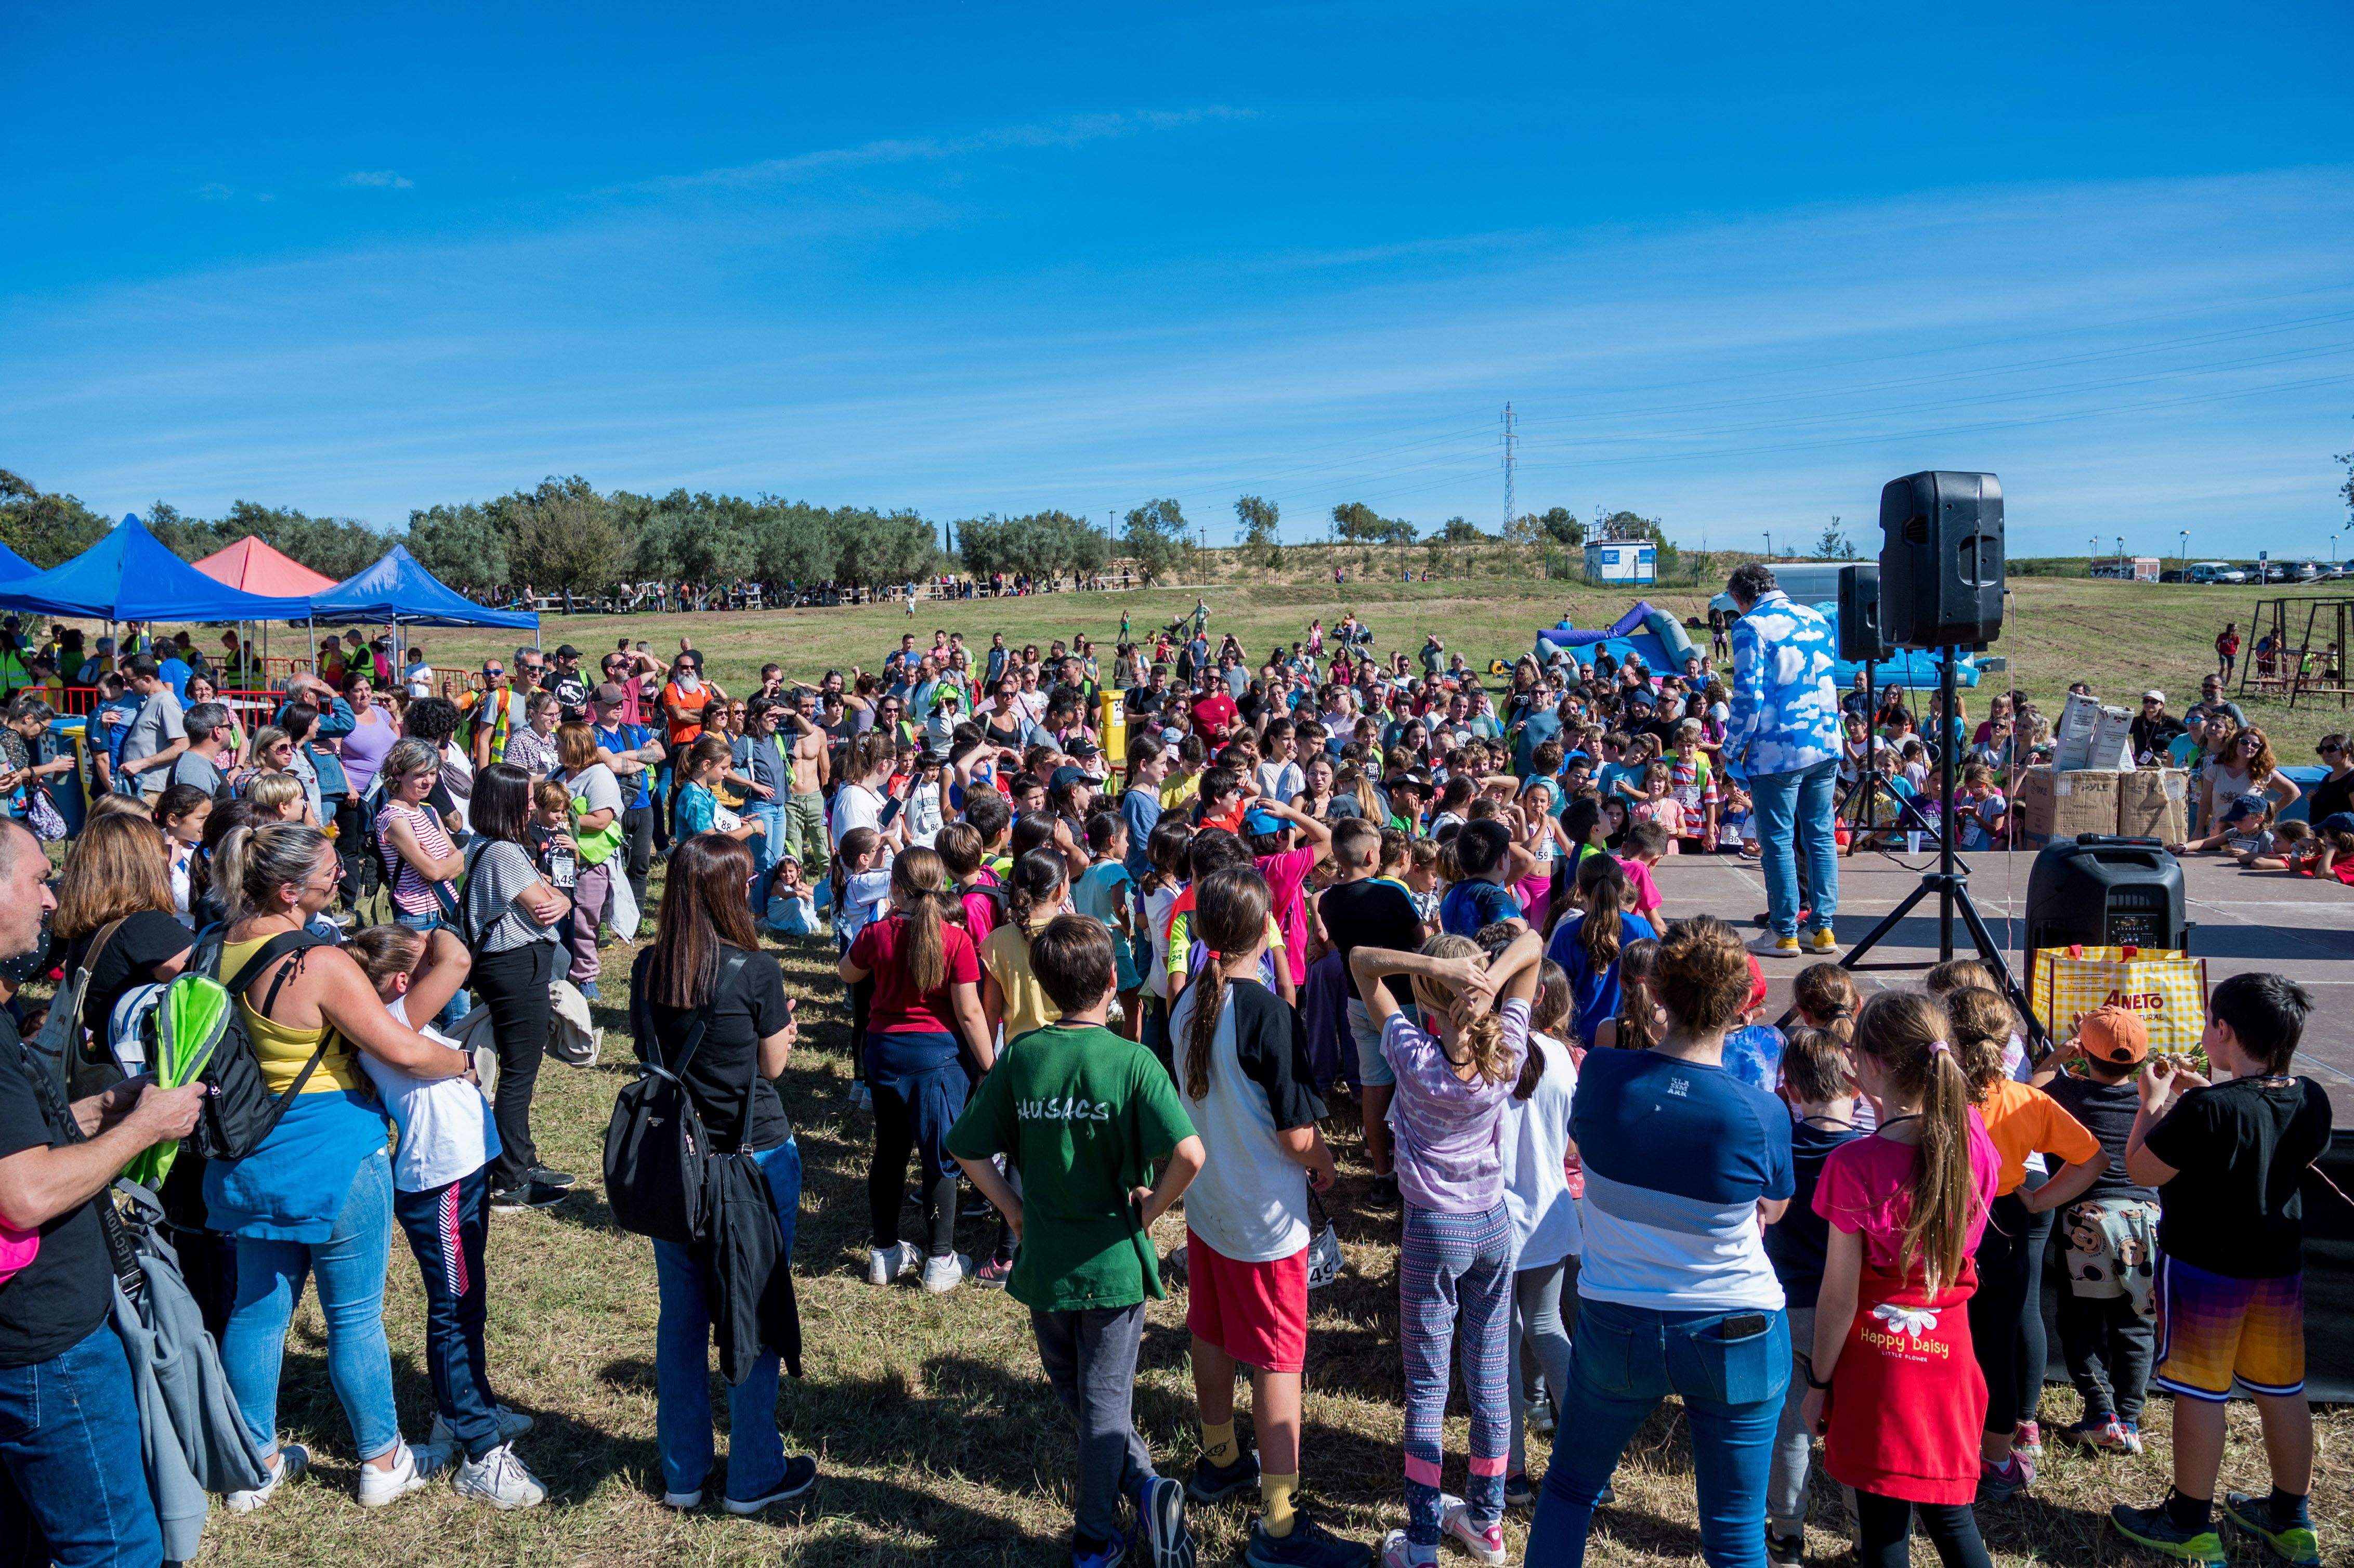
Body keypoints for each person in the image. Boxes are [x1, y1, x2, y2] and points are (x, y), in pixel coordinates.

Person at [205, 822, 475, 1512]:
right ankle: (382, 1460)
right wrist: (463, 1062)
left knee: (257, 1311)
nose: (342, 876)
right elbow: (404, 1050)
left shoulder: (216, 948)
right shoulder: (316, 963)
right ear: (292, 890)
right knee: (354, 1314)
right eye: (329, 871)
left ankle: (253, 1463)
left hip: (250, 1157)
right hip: (335, 1154)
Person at [1526, 915, 1793, 1568]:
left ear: (1655, 992)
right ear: (1741, 1006)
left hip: (1618, 1323)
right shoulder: (1759, 1112)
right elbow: (1775, 1208)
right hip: (1736, 1329)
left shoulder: (1602, 1075)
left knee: (1567, 1490)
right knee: (1735, 1538)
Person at [950, 915, 1205, 1568]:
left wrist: (1011, 1209)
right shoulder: (1133, 1061)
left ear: (1040, 981)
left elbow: (967, 1147)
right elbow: (1190, 1152)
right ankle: (1126, 1505)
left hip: (1047, 1259)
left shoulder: (1023, 1055)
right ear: (1113, 979)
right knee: (1098, 1399)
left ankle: (1108, 1519)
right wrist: (1152, 1208)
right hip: (1113, 1261)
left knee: (1081, 1390)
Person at [0, 817, 205, 1565]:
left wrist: (100, 1110)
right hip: (42, 1347)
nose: (51, 900)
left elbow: (19, 1142)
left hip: (29, 1340)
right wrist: (144, 1129)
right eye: (34, 880)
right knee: (115, 1548)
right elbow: (21, 1194)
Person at [1167, 870, 1363, 1568]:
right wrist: (1328, 1162)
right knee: (1279, 1361)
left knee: (1212, 1332)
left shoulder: (1187, 1001)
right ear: (1264, 930)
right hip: (1266, 1220)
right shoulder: (1268, 1014)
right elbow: (1294, 1134)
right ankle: (1280, 1528)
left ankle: (1221, 1458)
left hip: (1210, 1208)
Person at [2111, 972, 2331, 1568]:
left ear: (2224, 1030)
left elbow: (2142, 1170)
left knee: (2199, 1393)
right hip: (2276, 1268)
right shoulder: (2311, 1095)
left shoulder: (2207, 1107)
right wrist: (2203, 1094)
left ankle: (2188, 1521)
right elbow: (2259, 1124)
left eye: (2210, 1021)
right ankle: (2291, 1517)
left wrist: (2153, 1106)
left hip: (2206, 1271)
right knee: (2281, 1388)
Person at [628, 835, 819, 1515]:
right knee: (752, 1313)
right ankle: (754, 1473)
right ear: (724, 892)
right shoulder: (754, 970)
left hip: (677, 1163)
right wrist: (786, 1033)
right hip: (752, 1158)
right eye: (743, 883)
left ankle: (683, 1471)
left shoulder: (650, 967)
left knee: (680, 1318)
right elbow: (770, 1068)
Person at [1351, 925, 1541, 1568]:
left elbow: (1361, 961)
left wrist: (1433, 970)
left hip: (1433, 1230)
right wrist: (1486, 979)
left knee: (1429, 1387)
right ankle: (1486, 1520)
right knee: (1489, 1375)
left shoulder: (1412, 1053)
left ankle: (1425, 1539)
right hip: (1492, 1226)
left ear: (1428, 1002)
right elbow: (1534, 945)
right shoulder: (1506, 1052)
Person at [345, 924, 547, 1508]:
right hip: (438, 1189)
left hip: (459, 1176)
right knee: (455, 1311)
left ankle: (463, 1411)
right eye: (420, 961)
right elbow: (458, 954)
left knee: (467, 1303)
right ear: (406, 981)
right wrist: (432, 922)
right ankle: (480, 1455)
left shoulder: (397, 1020)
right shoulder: (390, 1022)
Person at [1799, 991, 2000, 1568]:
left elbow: (1837, 1297)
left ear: (1873, 1064)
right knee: (1949, 1510)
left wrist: (1818, 1382)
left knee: (1884, 1524)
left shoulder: (1853, 1164)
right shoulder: (1972, 1140)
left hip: (1878, 1365)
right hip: (1950, 1353)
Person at [1945, 986, 2101, 1500]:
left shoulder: (1934, 1095)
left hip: (1945, 1221)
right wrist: (2040, 1200)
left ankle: (1943, 1448)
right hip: (2006, 1222)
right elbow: (2093, 1159)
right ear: (2008, 1040)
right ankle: (1993, 1463)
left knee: (1943, 1344)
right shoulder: (2026, 1100)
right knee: (1996, 1346)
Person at [840, 846, 995, 1293]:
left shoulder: (877, 933)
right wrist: (991, 1066)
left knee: (889, 1151)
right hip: (938, 1060)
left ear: (895, 887)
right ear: (941, 885)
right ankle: (941, 1259)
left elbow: (847, 973)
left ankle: (884, 1253)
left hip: (884, 1053)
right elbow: (969, 1015)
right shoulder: (956, 939)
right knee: (940, 1157)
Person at [2028, 1005, 2160, 1456]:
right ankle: (2129, 1417)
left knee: (2080, 1321)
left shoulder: (2070, 1092)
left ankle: (2101, 1413)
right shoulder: (2152, 1101)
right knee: (2136, 1323)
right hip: (2144, 1223)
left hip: (2086, 1222)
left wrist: (2057, 1056)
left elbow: (2033, 1090)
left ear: (2084, 1053)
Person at [1762, 1026, 1865, 1565]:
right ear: (1855, 1085)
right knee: (1853, 1430)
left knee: (1790, 1425)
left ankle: (1785, 1535)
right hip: (1854, 1314)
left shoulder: (1777, 1148)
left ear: (1790, 1091)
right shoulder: (1866, 1155)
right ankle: (1863, 1536)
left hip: (1787, 1308)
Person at [458, 764, 574, 1211]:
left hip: (510, 964)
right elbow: (548, 904)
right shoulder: (505, 853)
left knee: (519, 1070)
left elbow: (554, 895)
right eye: (526, 797)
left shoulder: (489, 845)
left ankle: (522, 1160)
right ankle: (510, 1180)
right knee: (519, 1074)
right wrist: (558, 899)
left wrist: (558, 898)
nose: (533, 803)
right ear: (505, 802)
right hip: (515, 964)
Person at [1722, 564, 1841, 958]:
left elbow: (1749, 697)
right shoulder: (1818, 619)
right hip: (1825, 743)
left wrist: (1730, 747)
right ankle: (1822, 929)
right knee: (1820, 837)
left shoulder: (1751, 626)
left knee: (1778, 842)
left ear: (1740, 599)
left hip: (1778, 752)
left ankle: (1784, 931)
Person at [1499, 956, 1580, 1517]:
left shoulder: (1485, 1053)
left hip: (1495, 1220)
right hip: (1550, 1213)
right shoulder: (1559, 1056)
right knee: (1548, 1326)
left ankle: (1511, 1473)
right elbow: (1572, 1143)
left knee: (1499, 1346)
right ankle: (1582, 1453)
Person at [1313, 818, 1423, 1209]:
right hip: (1402, 1002)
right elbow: (1419, 940)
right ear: (1373, 855)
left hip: (1359, 1001)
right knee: (1413, 1085)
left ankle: (1382, 1175)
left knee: (1375, 1090)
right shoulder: (1392, 893)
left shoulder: (1326, 900)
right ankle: (1415, 1170)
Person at [50, 814, 195, 1097]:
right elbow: (208, 984)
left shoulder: (96, 921)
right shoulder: (144, 926)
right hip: (142, 1080)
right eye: (162, 853)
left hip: (110, 1066)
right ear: (144, 866)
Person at [551, 722, 623, 1001]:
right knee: (559, 918)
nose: (555, 747)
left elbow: (601, 820)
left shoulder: (599, 776)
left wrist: (558, 818)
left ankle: (586, 976)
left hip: (589, 864)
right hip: (558, 863)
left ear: (574, 746)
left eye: (560, 743)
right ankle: (561, 972)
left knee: (584, 921)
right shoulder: (558, 774)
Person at [115, 655, 189, 801]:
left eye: (130, 681)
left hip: (153, 789)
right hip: (142, 785)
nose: (128, 686)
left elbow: (183, 745)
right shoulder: (151, 700)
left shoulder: (165, 702)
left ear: (147, 679)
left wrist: (141, 764)